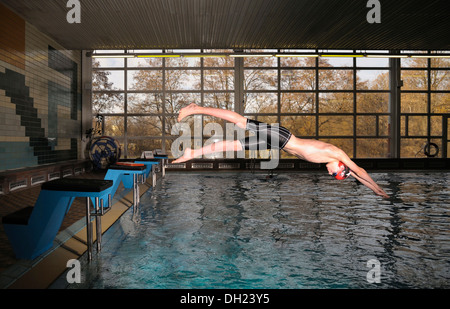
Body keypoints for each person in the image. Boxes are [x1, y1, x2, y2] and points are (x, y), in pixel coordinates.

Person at [173, 103, 389, 198]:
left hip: (278, 143)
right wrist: (377, 187)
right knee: (240, 122)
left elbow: (356, 176)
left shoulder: (331, 160)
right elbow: (359, 170)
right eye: (334, 174)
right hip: (283, 137)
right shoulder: (337, 153)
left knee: (236, 146)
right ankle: (196, 109)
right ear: (340, 166)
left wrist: (372, 189)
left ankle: (193, 153)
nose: (329, 174)